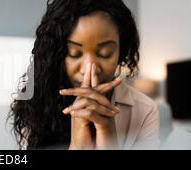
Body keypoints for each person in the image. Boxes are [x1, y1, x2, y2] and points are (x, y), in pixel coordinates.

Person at [9, 0, 160, 150]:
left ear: (121, 51)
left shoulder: (145, 111)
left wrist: (109, 138)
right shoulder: (37, 104)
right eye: (74, 54)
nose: (90, 69)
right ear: (57, 55)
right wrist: (77, 147)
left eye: (105, 53)